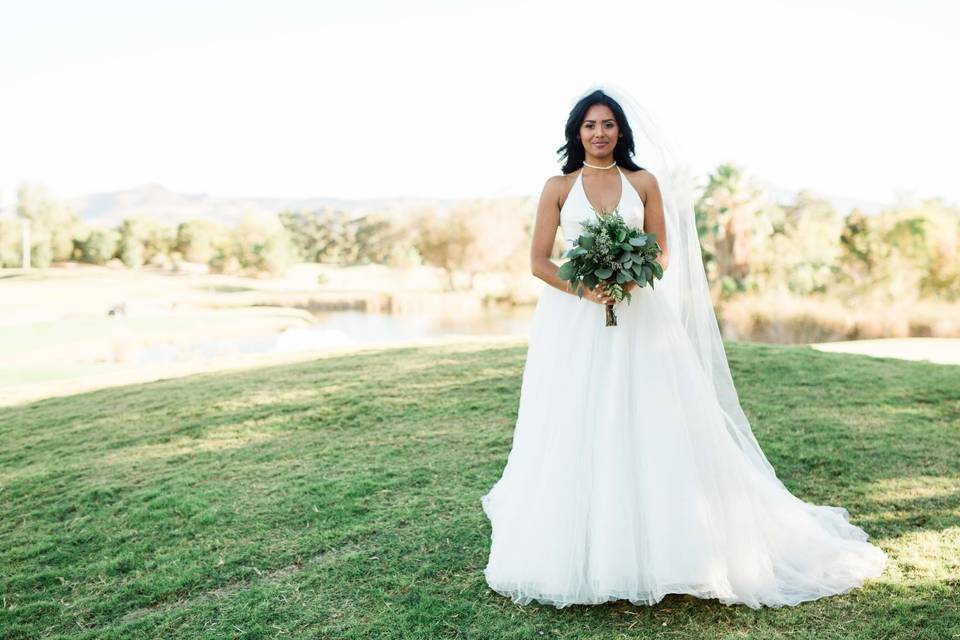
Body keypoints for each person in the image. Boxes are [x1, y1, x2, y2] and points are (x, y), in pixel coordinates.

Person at [479, 82, 888, 609]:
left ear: (620, 130)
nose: (599, 133)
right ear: (576, 133)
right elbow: (539, 261)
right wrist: (586, 289)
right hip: (573, 320)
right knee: (575, 414)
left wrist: (629, 280)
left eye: (607, 124)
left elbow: (663, 252)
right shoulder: (558, 187)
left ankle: (674, 544)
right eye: (589, 125)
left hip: (640, 313)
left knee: (654, 415)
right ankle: (581, 540)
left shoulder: (643, 182)